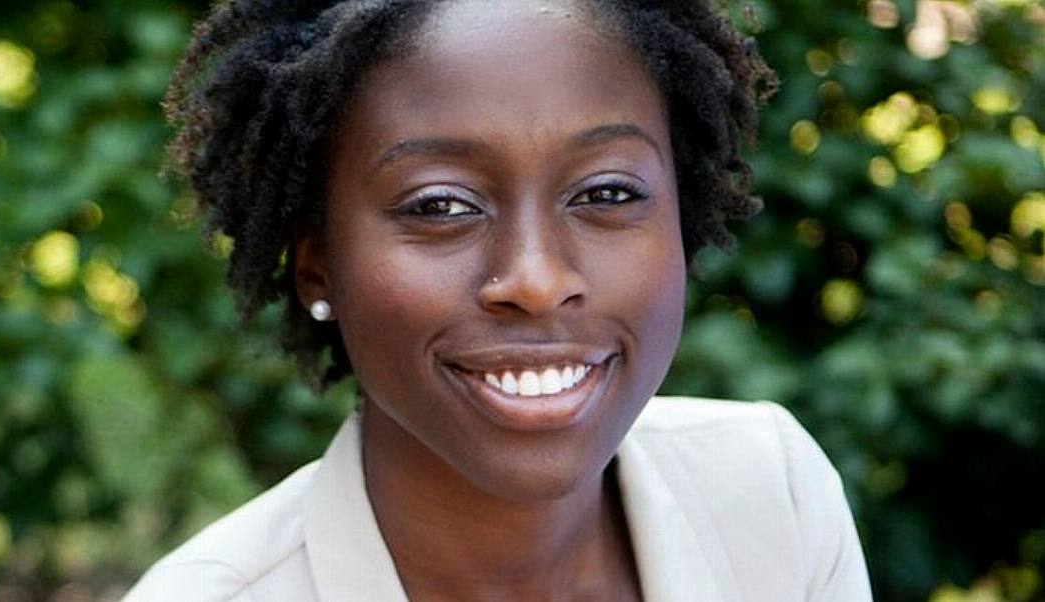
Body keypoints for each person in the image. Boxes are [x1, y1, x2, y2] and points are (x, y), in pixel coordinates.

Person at [125, 0, 872, 600]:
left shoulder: (770, 494)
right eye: (441, 206)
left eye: (608, 192)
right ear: (318, 267)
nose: (537, 280)